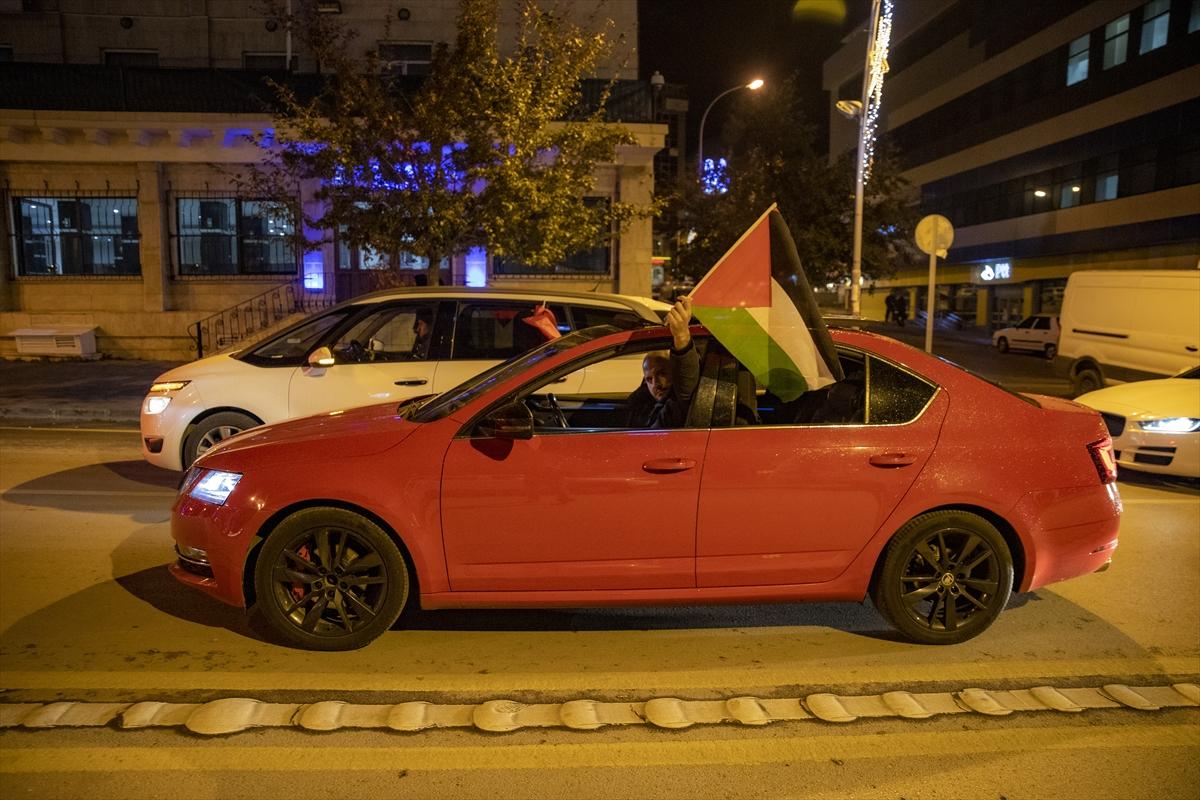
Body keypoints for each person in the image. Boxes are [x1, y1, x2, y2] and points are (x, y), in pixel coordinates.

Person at [624, 296, 700, 429]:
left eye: (662, 373)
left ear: (674, 372)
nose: (656, 384)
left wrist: (681, 336)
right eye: (649, 379)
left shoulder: (679, 403)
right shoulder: (641, 407)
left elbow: (685, 376)